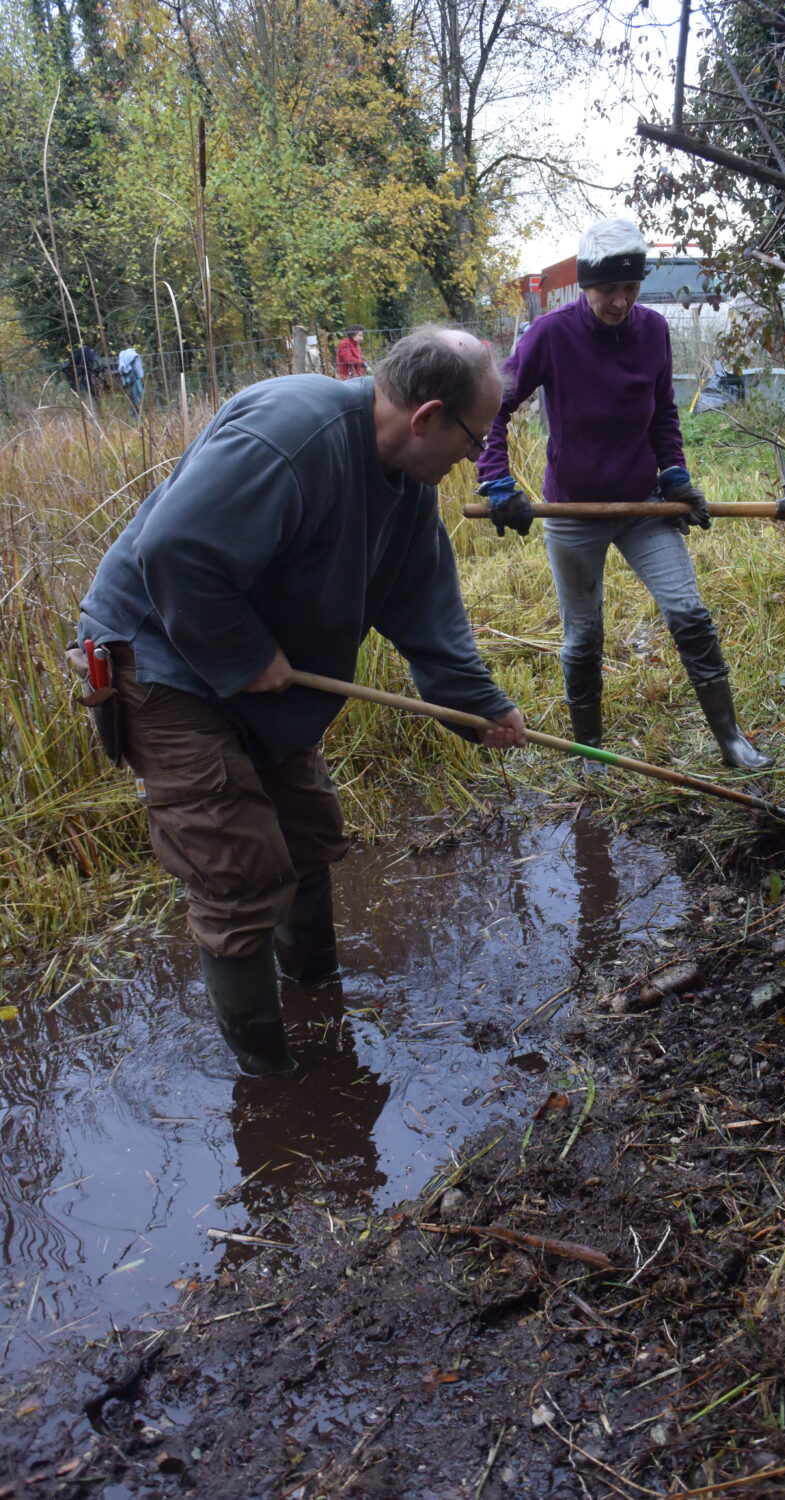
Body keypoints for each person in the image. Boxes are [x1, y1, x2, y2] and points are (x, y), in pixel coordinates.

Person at [73, 327, 526, 1077]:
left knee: (308, 837)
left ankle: (320, 1001)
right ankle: (273, 1085)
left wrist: (483, 710)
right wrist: (247, 655)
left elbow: (428, 618)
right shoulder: (293, 432)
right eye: (473, 439)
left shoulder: (409, 489)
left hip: (260, 679)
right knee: (239, 869)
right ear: (428, 417)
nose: (473, 460)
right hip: (159, 659)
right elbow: (174, 554)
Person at [476, 217, 773, 773]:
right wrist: (495, 478)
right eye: (607, 290)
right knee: (584, 635)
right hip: (572, 510)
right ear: (584, 286)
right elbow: (494, 405)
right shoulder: (551, 335)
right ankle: (591, 755)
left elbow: (662, 412)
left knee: (689, 612)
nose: (619, 302)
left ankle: (732, 741)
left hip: (642, 507)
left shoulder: (653, 331)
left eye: (630, 289)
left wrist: (675, 475)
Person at [117, 346, 144, 415]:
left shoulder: (122, 359)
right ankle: (137, 413)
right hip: (133, 379)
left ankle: (134, 413)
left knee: (131, 398)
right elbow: (138, 368)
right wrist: (140, 376)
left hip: (126, 380)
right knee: (136, 396)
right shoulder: (134, 356)